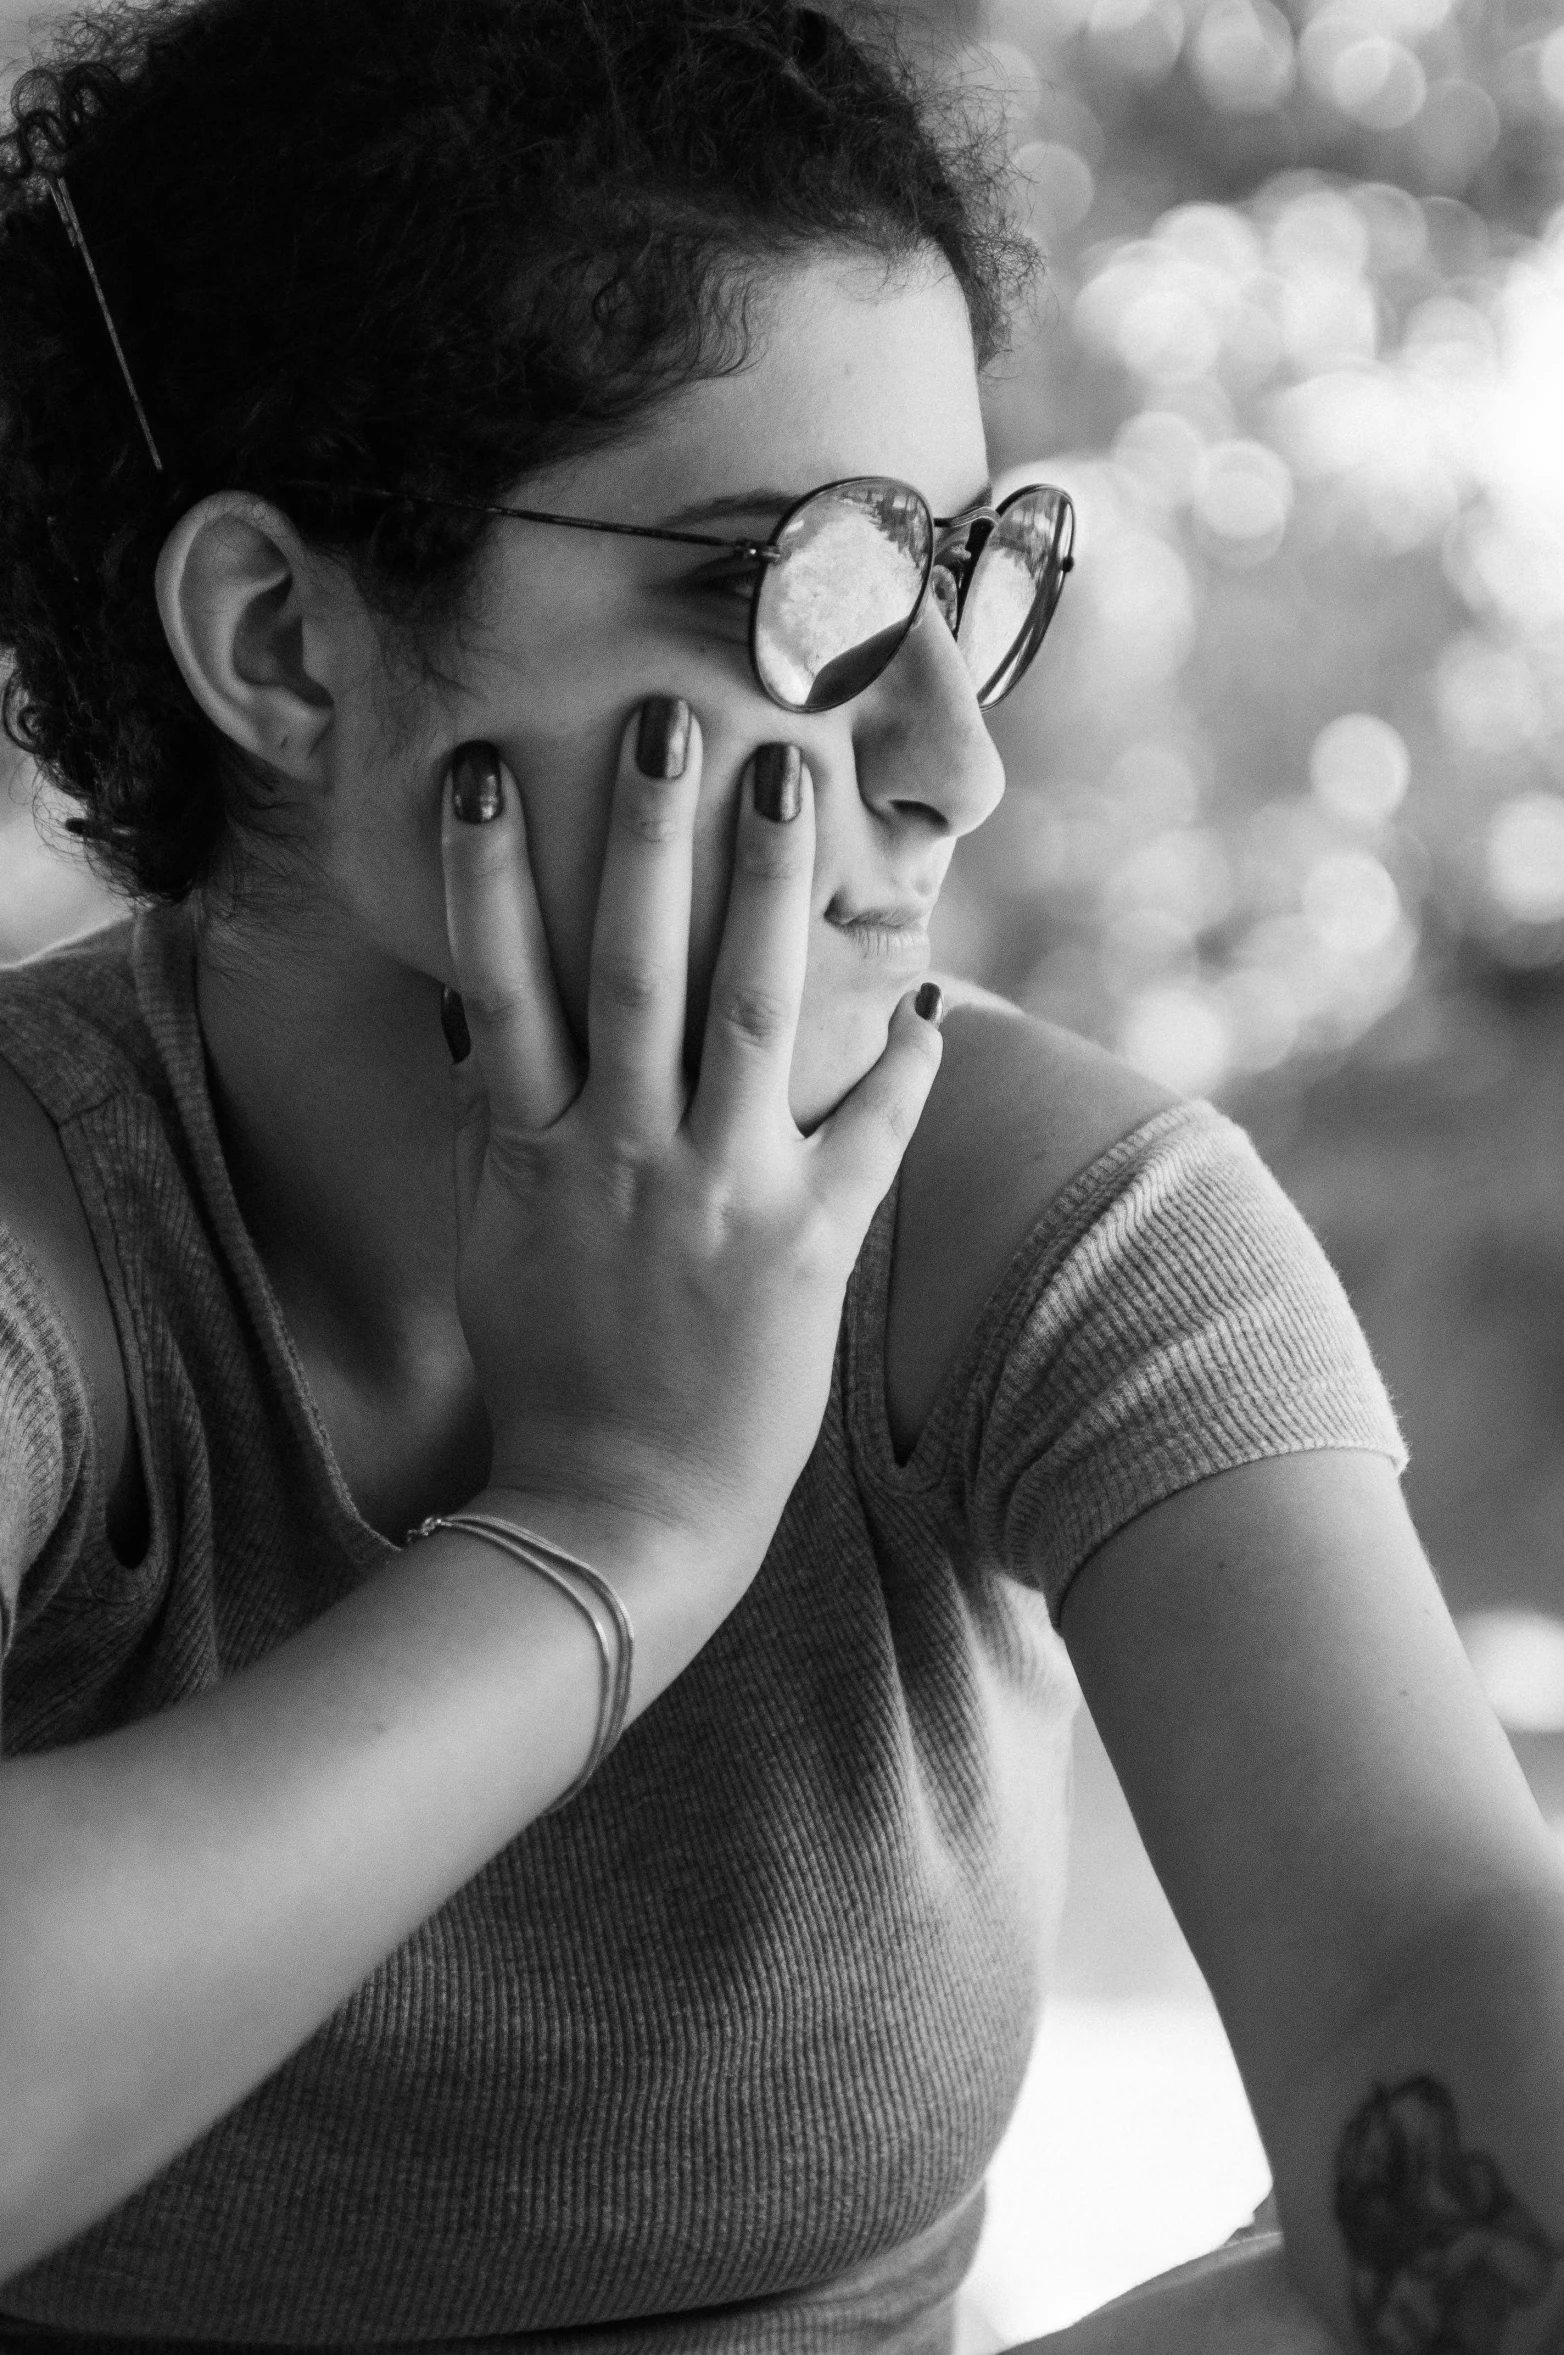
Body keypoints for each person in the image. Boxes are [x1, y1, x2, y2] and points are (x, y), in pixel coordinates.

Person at [0, 1, 1559, 2349]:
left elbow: (1450, 2076)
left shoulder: (1052, 1231)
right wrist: (606, 1537)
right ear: (279, 645)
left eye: (957, 573)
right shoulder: (50, 1237)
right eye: (800, 585)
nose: (953, 760)